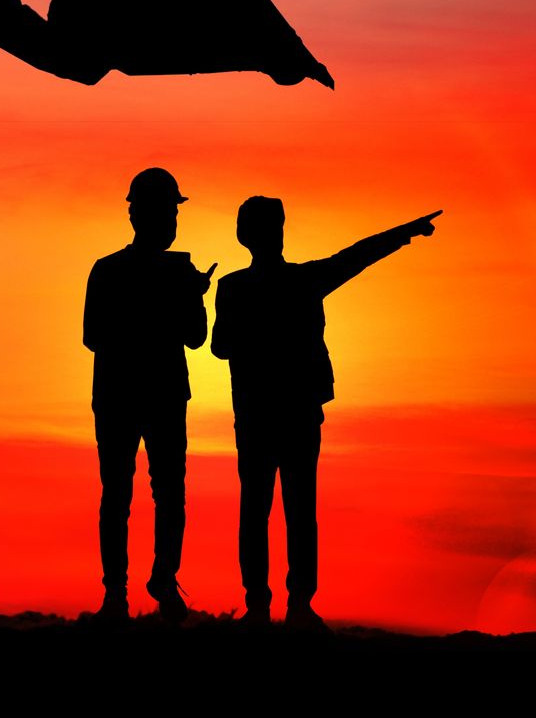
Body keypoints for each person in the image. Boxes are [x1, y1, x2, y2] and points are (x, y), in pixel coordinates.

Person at [211, 198, 441, 630]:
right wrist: (404, 234)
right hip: (283, 414)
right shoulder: (295, 281)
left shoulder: (235, 287)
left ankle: (270, 606)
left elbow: (220, 346)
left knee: (264, 509)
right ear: (271, 234)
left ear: (245, 237)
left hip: (266, 414)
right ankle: (287, 605)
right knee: (292, 510)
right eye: (273, 226)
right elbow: (354, 258)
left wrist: (403, 233)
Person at [83, 167, 216, 622]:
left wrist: (194, 294)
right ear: (143, 216)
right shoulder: (122, 271)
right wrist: (183, 297)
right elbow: (96, 335)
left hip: (140, 395)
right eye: (167, 211)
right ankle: (128, 591)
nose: (172, 222)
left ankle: (138, 588)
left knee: (135, 495)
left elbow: (196, 337)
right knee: (142, 494)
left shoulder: (116, 270)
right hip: (144, 395)